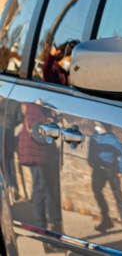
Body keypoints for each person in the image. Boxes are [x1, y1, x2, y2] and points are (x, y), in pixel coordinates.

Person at [18, 101, 62, 248]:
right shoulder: (34, 106)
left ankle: (49, 231)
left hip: (42, 153)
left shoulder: (41, 107)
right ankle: (43, 231)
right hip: (36, 152)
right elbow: (39, 130)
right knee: (40, 188)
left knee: (46, 189)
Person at [88, 123, 122, 233]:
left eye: (100, 126)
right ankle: (106, 218)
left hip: (112, 169)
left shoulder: (113, 140)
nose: (97, 128)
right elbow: (91, 148)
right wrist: (90, 159)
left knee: (117, 194)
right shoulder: (95, 136)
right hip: (98, 168)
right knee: (97, 191)